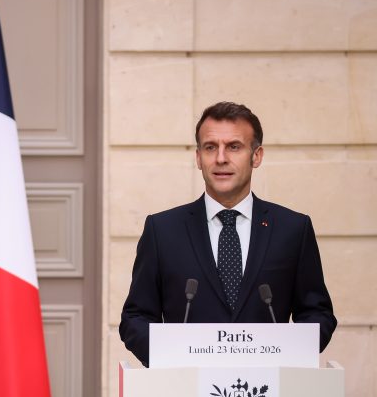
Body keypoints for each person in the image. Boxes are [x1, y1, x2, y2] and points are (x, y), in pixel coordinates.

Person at [119, 101, 336, 367]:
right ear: (198, 158)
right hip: (184, 385)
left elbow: (317, 314)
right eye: (210, 147)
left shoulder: (293, 229)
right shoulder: (162, 230)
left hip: (269, 386)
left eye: (234, 146)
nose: (221, 158)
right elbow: (136, 318)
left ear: (256, 156)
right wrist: (170, 359)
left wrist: (288, 357)